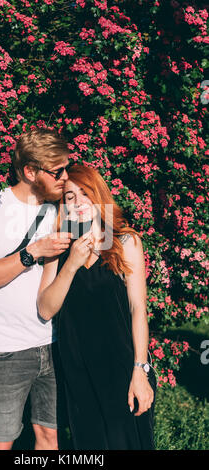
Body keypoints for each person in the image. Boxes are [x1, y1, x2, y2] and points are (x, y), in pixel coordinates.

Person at [0, 128, 74, 450]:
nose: (65, 178)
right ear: (30, 171)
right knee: (1, 441)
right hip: (7, 349)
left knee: (49, 435)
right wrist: (34, 252)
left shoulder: (62, 210)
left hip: (54, 343)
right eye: (57, 171)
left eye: (67, 168)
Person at [37, 164, 156, 450]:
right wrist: (72, 264)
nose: (77, 203)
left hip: (122, 366)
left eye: (84, 193)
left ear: (98, 195)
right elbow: (45, 309)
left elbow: (138, 308)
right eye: (69, 197)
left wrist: (140, 369)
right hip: (78, 368)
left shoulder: (125, 241)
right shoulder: (60, 247)